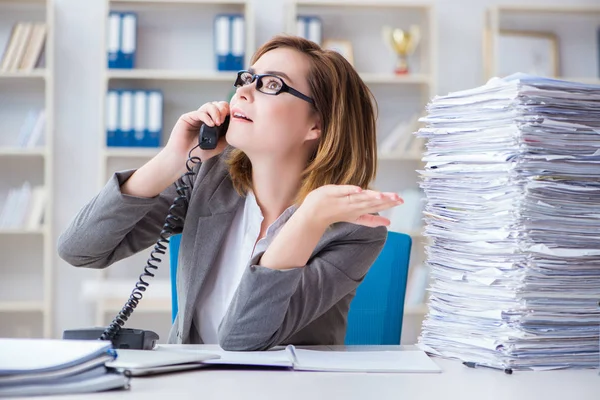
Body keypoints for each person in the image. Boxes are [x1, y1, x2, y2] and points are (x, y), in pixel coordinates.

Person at [58, 35, 404, 351]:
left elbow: (241, 337)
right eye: (246, 78)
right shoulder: (209, 180)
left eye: (271, 84)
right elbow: (79, 249)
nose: (243, 92)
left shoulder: (353, 230)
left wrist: (307, 221)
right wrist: (172, 160)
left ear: (317, 125)